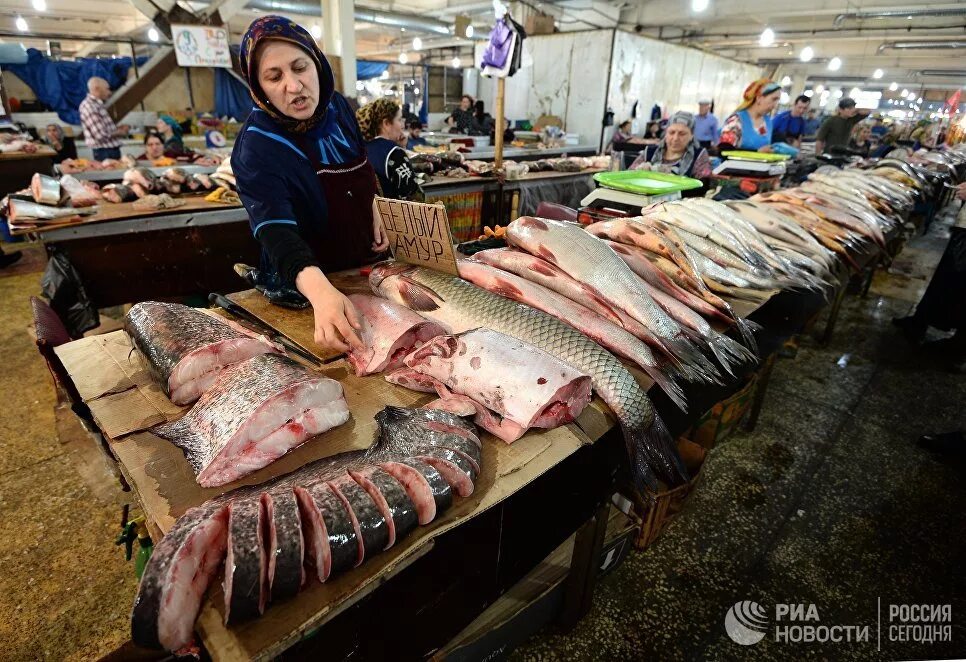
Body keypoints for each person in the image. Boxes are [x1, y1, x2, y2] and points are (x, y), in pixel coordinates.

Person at [232, 15, 389, 354]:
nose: (293, 85)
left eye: (300, 68)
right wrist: (320, 293)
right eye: (274, 77)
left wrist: (378, 203)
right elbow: (276, 232)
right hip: (305, 289)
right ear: (259, 87)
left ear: (317, 65)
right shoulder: (256, 146)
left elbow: (361, 163)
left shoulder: (338, 106)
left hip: (360, 269)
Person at [357, 98, 424, 202]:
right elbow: (414, 196)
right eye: (399, 119)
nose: (402, 125)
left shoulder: (361, 149)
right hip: (394, 216)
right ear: (386, 123)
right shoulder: (394, 154)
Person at [629, 111, 712, 188]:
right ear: (666, 133)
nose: (675, 138)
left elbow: (703, 185)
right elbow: (629, 175)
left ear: (691, 136)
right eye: (671, 132)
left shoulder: (699, 155)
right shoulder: (650, 152)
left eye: (682, 134)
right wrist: (639, 171)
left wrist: (674, 179)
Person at [717, 79, 781, 152]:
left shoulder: (768, 122)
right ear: (759, 98)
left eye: (777, 101)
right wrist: (756, 153)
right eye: (774, 99)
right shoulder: (736, 120)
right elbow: (723, 152)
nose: (775, 105)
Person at [79, 77, 129, 161]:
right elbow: (100, 135)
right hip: (105, 152)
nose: (109, 92)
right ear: (97, 89)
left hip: (109, 151)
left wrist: (117, 128)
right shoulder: (90, 106)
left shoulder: (97, 104)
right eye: (107, 89)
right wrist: (120, 132)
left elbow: (103, 129)